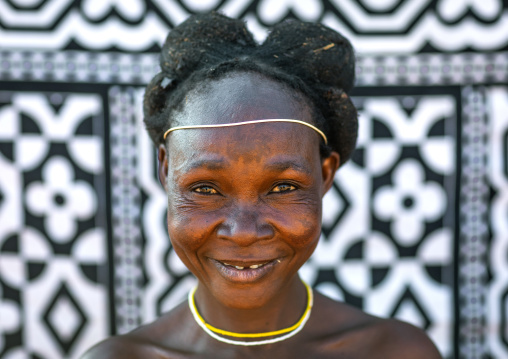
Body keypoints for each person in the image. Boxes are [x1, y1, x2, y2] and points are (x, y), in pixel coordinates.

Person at [82, 12, 442, 358]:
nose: (242, 232)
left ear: (326, 174)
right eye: (206, 188)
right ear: (165, 170)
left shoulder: (395, 353)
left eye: (282, 188)